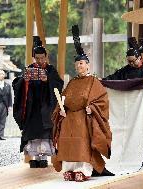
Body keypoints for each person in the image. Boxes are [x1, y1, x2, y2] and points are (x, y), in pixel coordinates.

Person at [52, 25, 112, 182]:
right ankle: (69, 169)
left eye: (82, 64)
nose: (79, 66)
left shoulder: (94, 81)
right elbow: (63, 99)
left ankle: (82, 170)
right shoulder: (71, 82)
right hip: (68, 118)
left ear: (87, 65)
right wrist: (61, 110)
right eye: (77, 64)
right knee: (66, 143)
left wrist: (92, 108)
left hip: (83, 118)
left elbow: (102, 100)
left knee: (81, 143)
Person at [12, 36, 64, 168]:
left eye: (42, 58)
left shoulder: (51, 70)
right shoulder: (30, 68)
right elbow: (17, 84)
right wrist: (25, 80)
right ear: (34, 57)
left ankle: (43, 158)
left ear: (46, 57)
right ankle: (34, 158)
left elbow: (59, 84)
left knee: (45, 134)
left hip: (46, 107)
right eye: (37, 58)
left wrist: (48, 81)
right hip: (32, 108)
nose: (40, 61)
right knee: (33, 134)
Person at [0, 70, 12, 140]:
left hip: (5, 105)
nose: (2, 75)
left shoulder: (7, 85)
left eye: (3, 74)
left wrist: (10, 106)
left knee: (3, 120)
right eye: (0, 74)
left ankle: (1, 135)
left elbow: (9, 96)